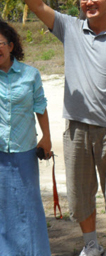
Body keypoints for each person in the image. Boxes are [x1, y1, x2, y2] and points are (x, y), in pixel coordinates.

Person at [11, 0, 106, 255]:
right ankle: (91, 244)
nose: (88, 2)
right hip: (76, 128)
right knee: (80, 193)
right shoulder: (70, 28)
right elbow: (37, 5)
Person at [0, 20, 52, 255]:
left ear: (11, 46)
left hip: (24, 151)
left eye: (0, 43)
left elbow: (40, 107)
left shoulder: (31, 75)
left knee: (28, 207)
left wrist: (47, 138)